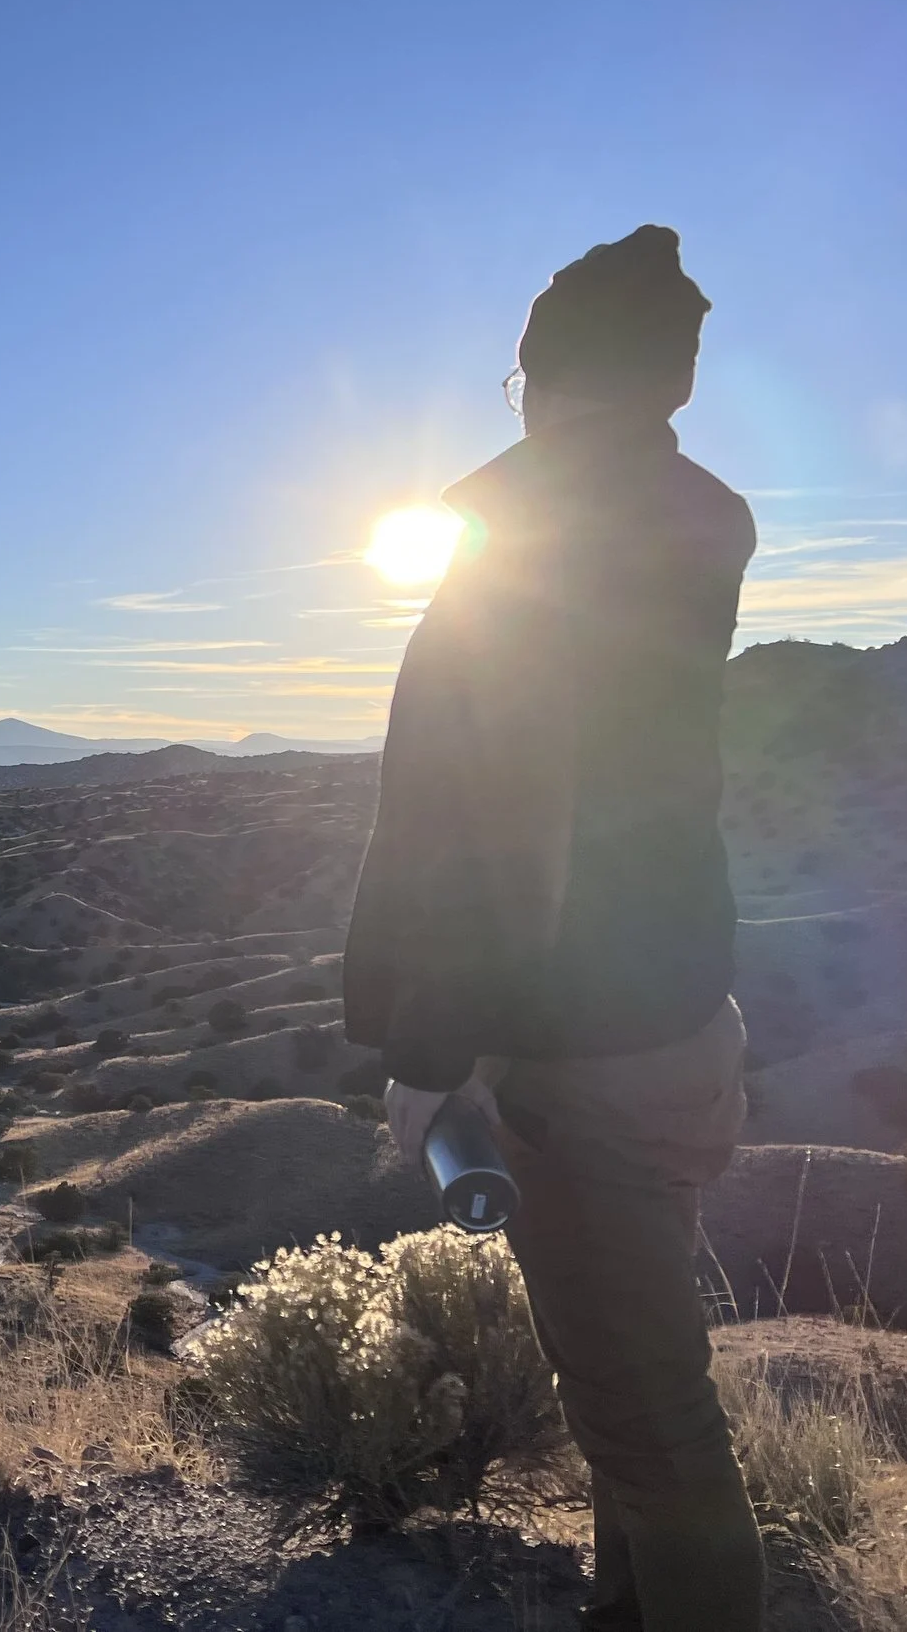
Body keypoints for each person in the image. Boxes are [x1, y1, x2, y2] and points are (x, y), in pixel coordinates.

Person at [342, 225, 763, 1631]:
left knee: (651, 1415)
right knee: (627, 1376)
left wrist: (430, 1046)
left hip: (573, 1040)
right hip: (671, 1020)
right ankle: (624, 1610)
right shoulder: (691, 519)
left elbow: (508, 822)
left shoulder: (542, 545)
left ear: (540, 375)